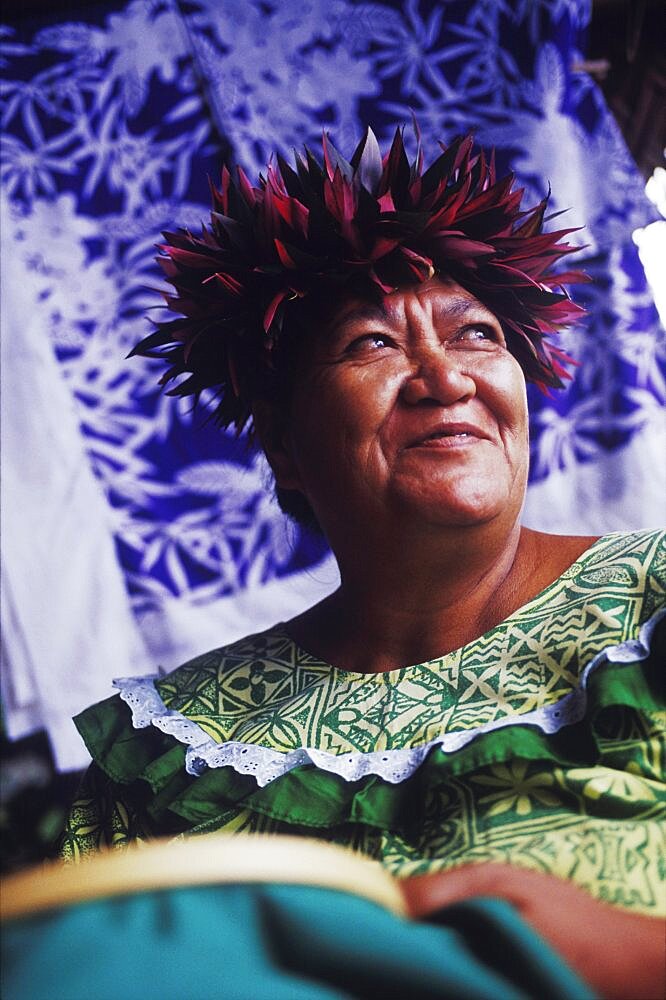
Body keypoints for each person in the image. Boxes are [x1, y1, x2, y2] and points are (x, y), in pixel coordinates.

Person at [60, 129, 664, 998]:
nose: (443, 377)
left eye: (478, 334)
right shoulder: (168, 751)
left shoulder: (652, 608)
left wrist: (623, 954)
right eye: (372, 344)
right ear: (285, 446)